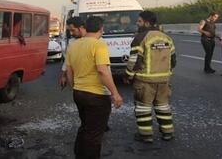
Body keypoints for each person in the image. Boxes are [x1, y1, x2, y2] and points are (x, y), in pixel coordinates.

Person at [66, 16, 123, 159]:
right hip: (96, 96)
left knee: (85, 127)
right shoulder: (99, 45)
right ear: (101, 29)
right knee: (94, 134)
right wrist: (115, 93)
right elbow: (103, 71)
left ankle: (79, 155)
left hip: (79, 93)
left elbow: (69, 71)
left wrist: (75, 87)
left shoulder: (73, 45)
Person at [124, 11, 176, 143]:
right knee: (163, 106)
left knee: (143, 108)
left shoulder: (141, 38)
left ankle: (146, 135)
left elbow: (134, 61)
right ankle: (168, 132)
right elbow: (173, 61)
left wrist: (128, 76)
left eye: (139, 21)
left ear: (147, 23)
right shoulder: (167, 38)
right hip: (164, 80)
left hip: (145, 80)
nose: (137, 23)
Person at [59, 17, 86, 89]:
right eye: (69, 31)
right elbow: (67, 61)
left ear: (81, 28)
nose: (71, 33)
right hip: (78, 84)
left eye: (73, 30)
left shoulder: (95, 41)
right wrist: (63, 76)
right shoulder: (71, 42)